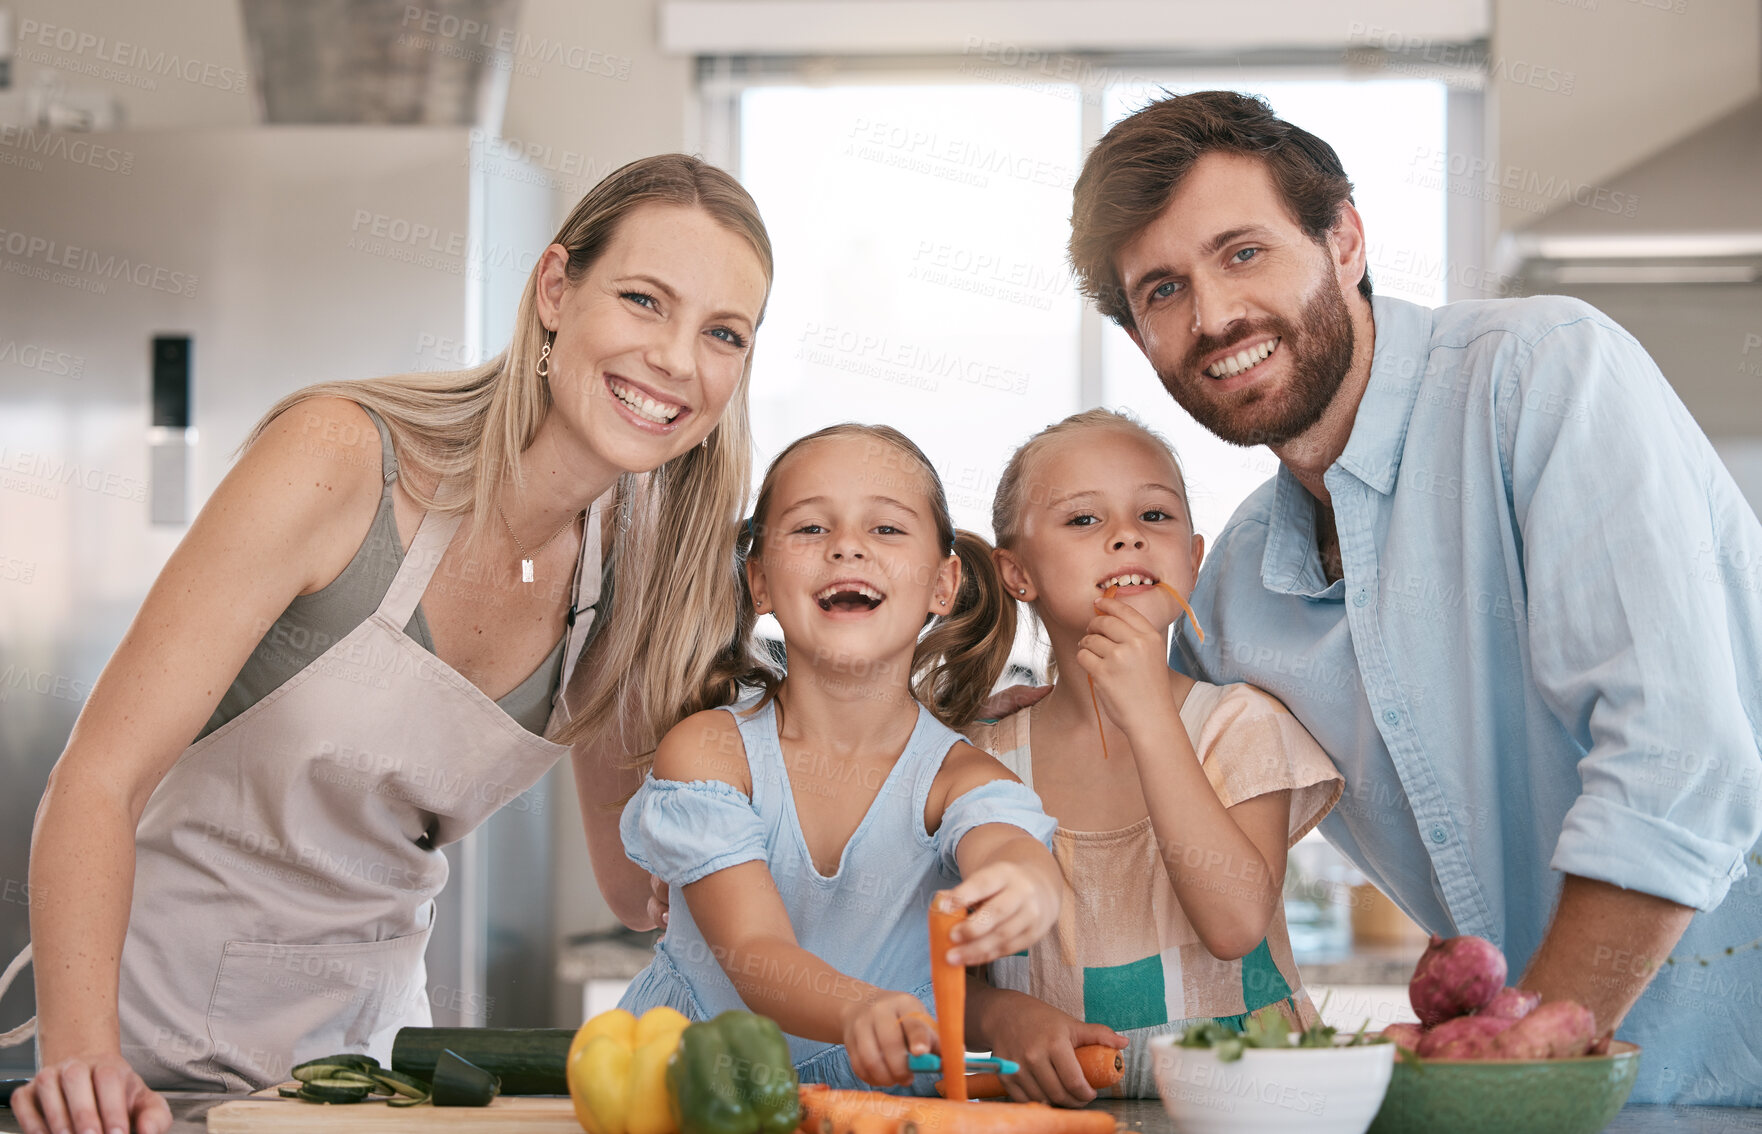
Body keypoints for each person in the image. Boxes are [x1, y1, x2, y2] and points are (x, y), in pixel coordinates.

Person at [7, 154, 773, 1134]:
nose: (675, 358)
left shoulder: (632, 575)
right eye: (642, 300)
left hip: (362, 1072)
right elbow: (96, 779)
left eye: (722, 334)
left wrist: (816, 749)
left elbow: (637, 886)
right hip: (139, 1052)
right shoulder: (341, 462)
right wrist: (83, 1061)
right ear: (554, 289)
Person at [1062, 90, 1762, 1105]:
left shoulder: (1540, 377)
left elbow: (1678, 760)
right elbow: (1146, 785)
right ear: (1139, 340)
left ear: (1343, 238)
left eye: (1242, 252)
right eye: (1162, 290)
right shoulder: (1236, 595)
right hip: (1554, 1102)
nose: (1213, 316)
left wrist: (1528, 1059)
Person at [617, 423, 1063, 1090]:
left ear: (944, 586)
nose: (847, 547)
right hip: (682, 1095)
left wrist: (1028, 886)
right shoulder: (710, 753)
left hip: (873, 1112)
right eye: (809, 530)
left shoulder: (957, 778)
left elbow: (1007, 846)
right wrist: (861, 1007)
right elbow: (755, 952)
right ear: (760, 582)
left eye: (886, 529)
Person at [961, 408, 1341, 1103]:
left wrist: (1148, 717)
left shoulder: (1241, 727)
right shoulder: (981, 764)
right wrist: (996, 1014)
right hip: (1066, 1113)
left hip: (1256, 1108)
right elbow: (945, 976)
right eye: (1083, 520)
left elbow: (1233, 927)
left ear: (1192, 561)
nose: (1127, 534)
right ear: (1016, 573)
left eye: (1155, 516)